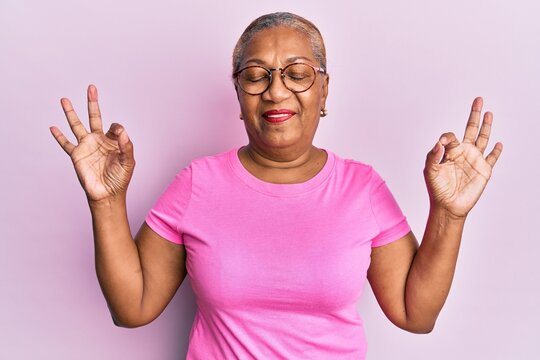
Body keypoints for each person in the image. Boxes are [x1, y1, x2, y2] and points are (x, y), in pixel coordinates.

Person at [49, 12, 503, 360]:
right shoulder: (197, 183)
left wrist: (449, 214)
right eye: (256, 74)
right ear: (239, 94)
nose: (276, 91)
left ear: (324, 92)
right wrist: (106, 201)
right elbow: (132, 309)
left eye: (297, 73)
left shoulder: (361, 188)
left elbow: (415, 314)